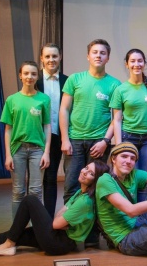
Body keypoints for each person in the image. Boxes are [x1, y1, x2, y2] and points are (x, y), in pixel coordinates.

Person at [0, 161, 109, 256]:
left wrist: (62, 220)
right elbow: (59, 214)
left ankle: (8, 244)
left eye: (91, 173)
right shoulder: (80, 192)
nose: (84, 172)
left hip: (59, 244)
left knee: (30, 200)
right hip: (58, 237)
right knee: (13, 234)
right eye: (86, 168)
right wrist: (63, 219)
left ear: (96, 180)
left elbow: (56, 223)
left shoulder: (85, 201)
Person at [60, 39, 120, 204]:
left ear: (108, 58)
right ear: (88, 56)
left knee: (95, 187)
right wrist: (65, 139)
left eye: (102, 53)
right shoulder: (74, 79)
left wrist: (105, 141)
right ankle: (70, 219)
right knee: (71, 186)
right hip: (74, 141)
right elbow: (64, 109)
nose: (98, 56)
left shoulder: (115, 84)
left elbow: (116, 118)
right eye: (95, 52)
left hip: (99, 143)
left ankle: (92, 220)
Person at [110, 48, 147, 202]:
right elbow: (117, 120)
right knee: (130, 179)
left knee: (144, 180)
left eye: (140, 61)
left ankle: (141, 214)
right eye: (132, 61)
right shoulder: (121, 90)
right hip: (128, 138)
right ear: (127, 64)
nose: (136, 64)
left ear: (144, 64)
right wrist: (119, 146)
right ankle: (130, 212)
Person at [1, 60, 51, 217]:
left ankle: (36, 227)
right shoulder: (12, 100)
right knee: (18, 191)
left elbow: (47, 127)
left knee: (36, 191)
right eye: (26, 73)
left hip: (37, 150)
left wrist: (46, 152)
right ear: (20, 76)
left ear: (37, 77)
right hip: (17, 150)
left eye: (33, 74)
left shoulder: (44, 99)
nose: (30, 76)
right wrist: (8, 155)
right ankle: (17, 228)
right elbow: (8, 130)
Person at [36, 43, 69, 218]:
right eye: (47, 56)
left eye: (54, 56)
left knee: (51, 178)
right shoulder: (34, 81)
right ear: (41, 58)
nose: (51, 60)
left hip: (60, 135)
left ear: (60, 57)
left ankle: (49, 219)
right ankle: (37, 219)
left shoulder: (67, 81)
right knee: (36, 181)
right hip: (37, 136)